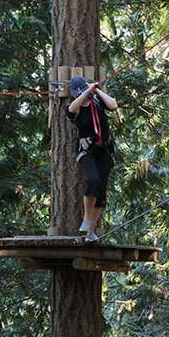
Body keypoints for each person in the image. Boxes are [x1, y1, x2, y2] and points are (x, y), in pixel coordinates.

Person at [65, 75, 118, 242]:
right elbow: (72, 109)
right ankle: (86, 220)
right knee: (93, 179)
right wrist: (87, 91)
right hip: (86, 151)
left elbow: (114, 106)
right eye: (77, 93)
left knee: (101, 193)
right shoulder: (73, 107)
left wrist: (97, 91)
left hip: (105, 151)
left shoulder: (98, 102)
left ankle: (91, 232)